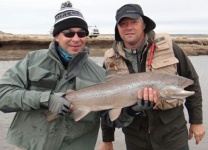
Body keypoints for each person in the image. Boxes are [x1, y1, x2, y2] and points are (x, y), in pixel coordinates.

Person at [0, 2, 158, 150]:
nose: (75, 39)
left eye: (81, 33)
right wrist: (45, 99)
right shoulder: (32, 61)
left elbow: (111, 120)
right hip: (29, 146)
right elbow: (3, 95)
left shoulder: (100, 74)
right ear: (56, 36)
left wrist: (132, 109)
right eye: (68, 33)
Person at [99, 3, 205, 150]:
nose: (129, 27)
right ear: (118, 28)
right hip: (135, 137)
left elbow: (192, 81)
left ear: (143, 25)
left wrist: (196, 121)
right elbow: (104, 100)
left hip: (172, 134)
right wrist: (107, 139)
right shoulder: (109, 59)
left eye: (134, 22)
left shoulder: (169, 46)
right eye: (123, 24)